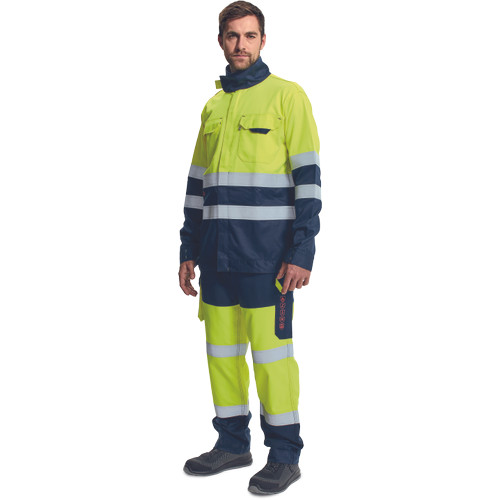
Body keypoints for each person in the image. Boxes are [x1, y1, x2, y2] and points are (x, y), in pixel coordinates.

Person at [178, 1, 321, 494]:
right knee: (221, 354)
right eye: (232, 35)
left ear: (263, 40)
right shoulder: (213, 107)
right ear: (221, 40)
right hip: (216, 258)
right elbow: (197, 185)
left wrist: (301, 252)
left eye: (250, 35)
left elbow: (308, 181)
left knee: (272, 360)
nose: (240, 44)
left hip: (268, 260)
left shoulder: (288, 97)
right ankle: (232, 444)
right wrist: (188, 249)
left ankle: (284, 456)